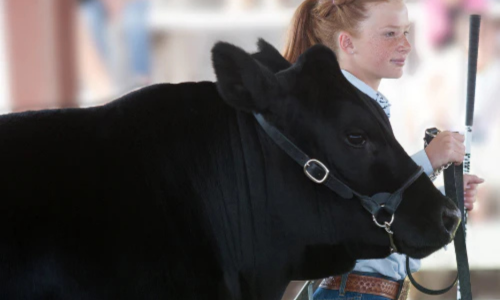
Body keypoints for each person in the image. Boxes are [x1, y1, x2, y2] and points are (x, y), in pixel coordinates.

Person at [281, 1, 485, 299]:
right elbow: (353, 210)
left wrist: (444, 197)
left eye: (405, 32)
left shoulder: (364, 110)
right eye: (390, 34)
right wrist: (428, 161)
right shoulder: (336, 113)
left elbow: (380, 214)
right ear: (347, 42)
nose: (406, 45)